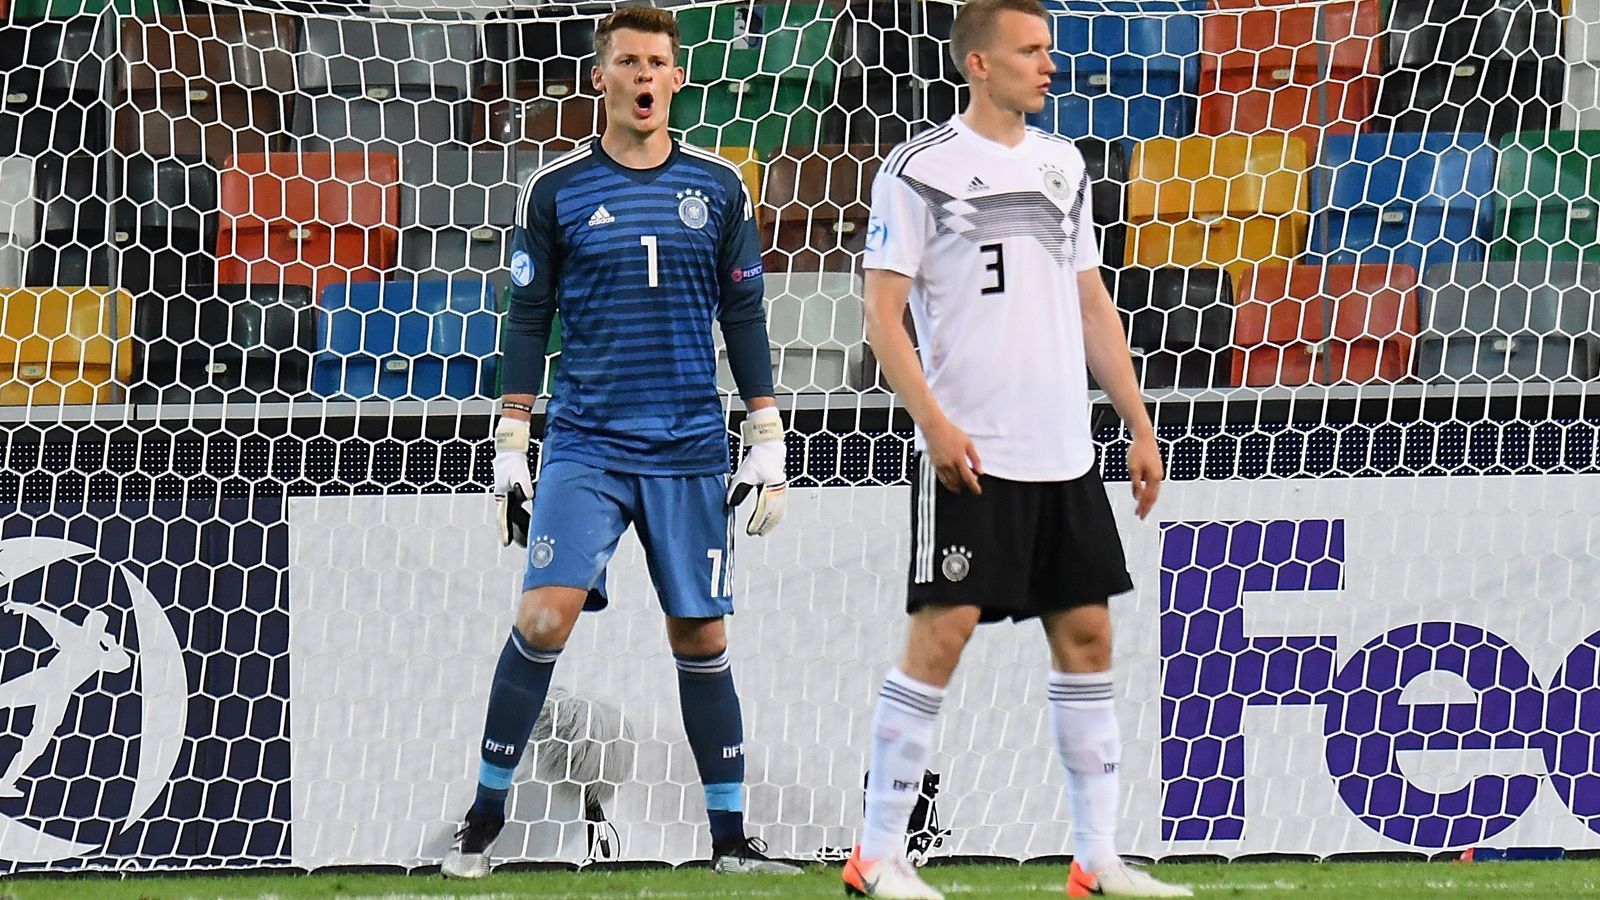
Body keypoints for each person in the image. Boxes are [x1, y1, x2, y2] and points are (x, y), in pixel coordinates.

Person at [841, 0, 1192, 896]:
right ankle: (877, 852)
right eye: (1031, 50)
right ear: (978, 63)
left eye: (1049, 49)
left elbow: (1090, 304)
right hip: (975, 451)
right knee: (942, 636)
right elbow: (882, 312)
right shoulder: (919, 171)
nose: (1048, 64)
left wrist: (1138, 420)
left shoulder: (1062, 165)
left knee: (1086, 636)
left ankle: (1096, 857)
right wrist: (933, 422)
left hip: (1063, 449)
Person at [441, 6, 798, 879]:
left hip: (686, 448)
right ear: (600, 78)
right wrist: (511, 444)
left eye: (659, 64)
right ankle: (482, 824)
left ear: (678, 79)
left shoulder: (719, 187)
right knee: (542, 615)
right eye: (629, 62)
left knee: (701, 639)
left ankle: (728, 841)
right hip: (588, 444)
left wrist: (766, 430)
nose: (645, 77)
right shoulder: (556, 190)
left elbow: (744, 314)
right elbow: (528, 319)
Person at [0, 603, 131, 798]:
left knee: (38, 742)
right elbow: (50, 619)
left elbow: (123, 663)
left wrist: (113, 645)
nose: (91, 628)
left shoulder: (98, 654)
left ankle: (5, 783)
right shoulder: (75, 636)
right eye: (90, 622)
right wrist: (25, 608)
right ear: (86, 623)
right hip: (43, 681)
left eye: (97, 625)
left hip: (59, 695)